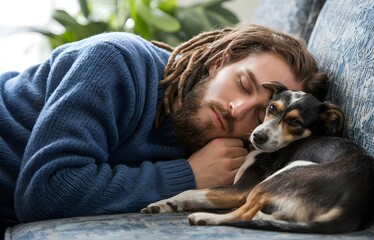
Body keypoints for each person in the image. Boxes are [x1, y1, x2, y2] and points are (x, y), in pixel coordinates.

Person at [0, 24, 329, 233]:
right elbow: (44, 192)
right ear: (220, 62)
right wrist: (188, 175)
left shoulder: (229, 150)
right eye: (242, 84)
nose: (237, 109)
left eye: (262, 112)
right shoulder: (115, 61)